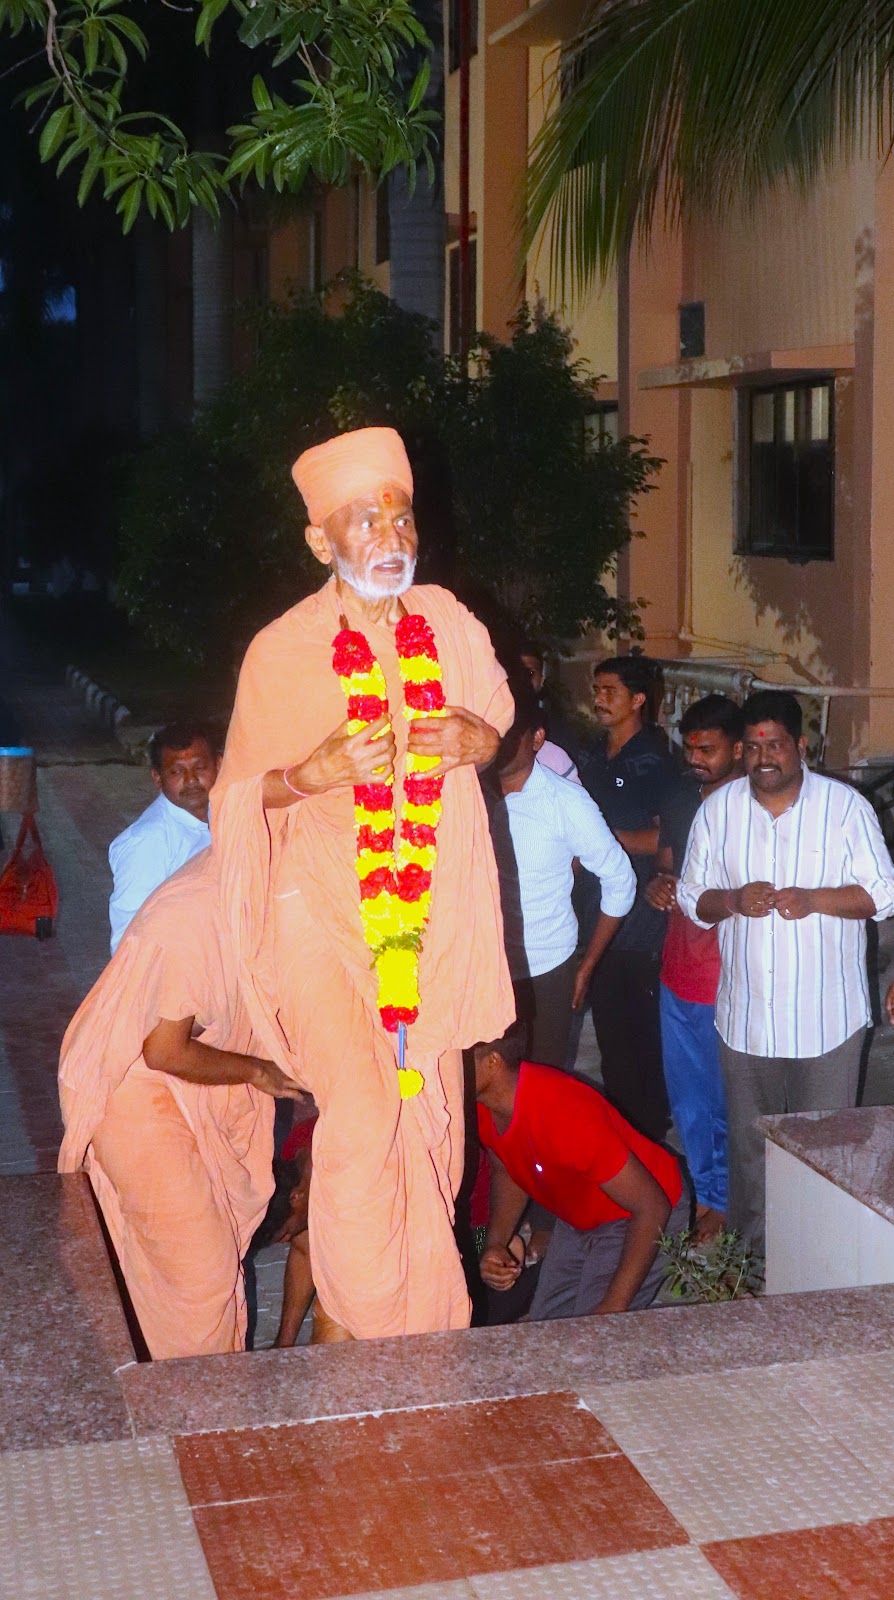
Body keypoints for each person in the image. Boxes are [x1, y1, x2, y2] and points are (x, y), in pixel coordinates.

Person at [212, 425, 515, 1342]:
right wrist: (310, 774)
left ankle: (404, 1350)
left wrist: (479, 743)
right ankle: (350, 1347)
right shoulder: (285, 648)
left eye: (400, 512)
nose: (390, 532)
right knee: (358, 1129)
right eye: (364, 516)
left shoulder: (450, 622)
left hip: (429, 921)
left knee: (425, 1139)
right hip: (318, 913)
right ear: (320, 541)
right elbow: (237, 793)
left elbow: (494, 725)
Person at [58, 850, 303, 1359]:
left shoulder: (267, 888)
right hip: (132, 1089)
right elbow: (164, 1050)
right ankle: (196, 1408)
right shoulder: (193, 913)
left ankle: (176, 1393)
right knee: (202, 1272)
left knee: (183, 1260)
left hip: (190, 1084)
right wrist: (259, 1071)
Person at [678, 690, 894, 1254]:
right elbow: (690, 897)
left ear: (801, 746)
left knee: (823, 1151)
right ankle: (755, 1270)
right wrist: (730, 900)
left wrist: (816, 898)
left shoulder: (845, 808)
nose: (762, 756)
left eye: (774, 743)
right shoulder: (718, 810)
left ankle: (817, 1269)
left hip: (827, 1023)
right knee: (752, 1155)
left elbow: (883, 893)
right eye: (752, 746)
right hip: (746, 1020)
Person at [474, 1032, 687, 1318]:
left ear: (492, 1063)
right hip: (579, 1218)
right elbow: (506, 1169)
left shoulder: (563, 1110)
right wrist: (495, 1244)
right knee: (547, 1333)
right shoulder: (485, 1105)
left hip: (642, 1213)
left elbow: (653, 1207)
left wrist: (614, 1306)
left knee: (595, 1339)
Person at [487, 682, 635, 1069]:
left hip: (545, 971)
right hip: (480, 967)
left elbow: (620, 880)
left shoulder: (565, 802)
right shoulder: (467, 795)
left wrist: (586, 966)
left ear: (537, 739)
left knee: (539, 1091)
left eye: (510, 733)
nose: (498, 742)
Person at [646, 695, 744, 1242]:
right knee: (687, 1096)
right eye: (692, 749)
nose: (697, 759)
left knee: (721, 1093)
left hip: (724, 972)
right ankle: (709, 1192)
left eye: (709, 749)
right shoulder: (683, 797)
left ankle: (723, 1201)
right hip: (677, 964)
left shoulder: (753, 807)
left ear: (738, 748)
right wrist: (657, 885)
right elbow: (667, 866)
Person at [578, 656, 681, 1140]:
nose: (599, 698)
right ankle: (625, 1145)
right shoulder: (592, 755)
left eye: (610, 690)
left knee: (646, 1044)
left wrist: (603, 841)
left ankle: (652, 1145)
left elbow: (667, 838)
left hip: (642, 922)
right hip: (594, 917)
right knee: (613, 1045)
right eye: (597, 689)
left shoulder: (656, 761)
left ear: (638, 699)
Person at [108, 722, 220, 953]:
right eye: (177, 771)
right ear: (158, 779)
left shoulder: (224, 814)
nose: (191, 780)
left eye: (200, 768)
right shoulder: (147, 842)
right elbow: (128, 938)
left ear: (218, 766)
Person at [518, 639, 581, 783]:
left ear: (541, 679)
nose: (522, 681)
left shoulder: (560, 731)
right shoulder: (492, 724)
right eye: (516, 673)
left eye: (529, 673)